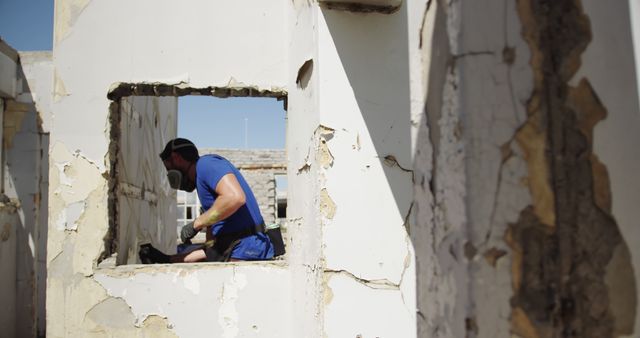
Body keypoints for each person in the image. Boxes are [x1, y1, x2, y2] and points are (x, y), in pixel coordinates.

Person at [139, 138, 274, 263]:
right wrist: (167, 259)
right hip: (237, 249)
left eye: (169, 168)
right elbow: (212, 249)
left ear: (176, 158)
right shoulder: (205, 187)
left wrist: (195, 225)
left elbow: (235, 197)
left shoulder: (206, 164)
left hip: (246, 251)